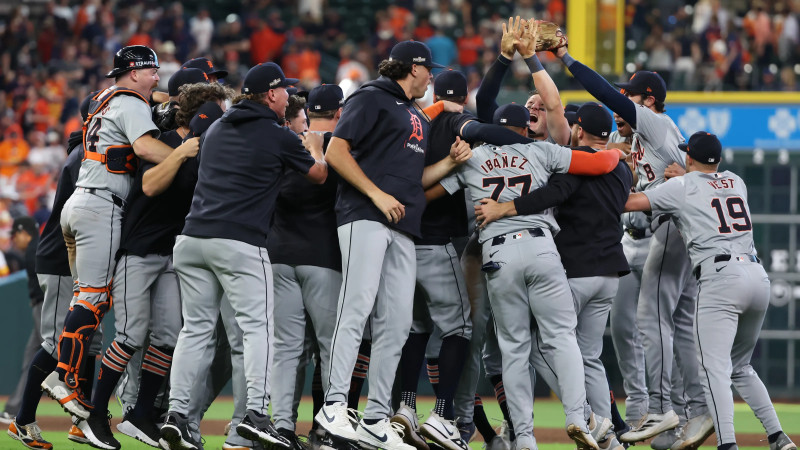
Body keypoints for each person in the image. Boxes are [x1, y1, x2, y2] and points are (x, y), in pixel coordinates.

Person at [429, 101, 623, 450]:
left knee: (514, 350)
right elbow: (599, 161)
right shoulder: (541, 150)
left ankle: (525, 438)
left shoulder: (471, 157)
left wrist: (448, 162)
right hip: (542, 249)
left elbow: (426, 194)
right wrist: (618, 155)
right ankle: (579, 418)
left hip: (497, 255)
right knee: (562, 338)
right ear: (523, 127)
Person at [158, 61, 327, 450]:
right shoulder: (278, 134)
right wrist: (315, 148)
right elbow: (318, 176)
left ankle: (177, 414)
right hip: (238, 242)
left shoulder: (217, 127)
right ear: (270, 94)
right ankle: (256, 414)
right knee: (257, 330)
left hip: (192, 238)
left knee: (195, 330)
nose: (288, 95)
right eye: (284, 89)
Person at [314, 40, 470, 450]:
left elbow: (413, 180)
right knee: (357, 307)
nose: (432, 77)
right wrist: (375, 194)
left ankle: (375, 420)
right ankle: (333, 406)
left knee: (398, 324)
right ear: (412, 68)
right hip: (364, 216)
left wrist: (451, 164)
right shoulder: (372, 97)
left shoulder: (413, 111)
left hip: (403, 226)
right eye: (428, 70)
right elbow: (335, 151)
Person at [554, 44, 711, 445]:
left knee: (651, 321)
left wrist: (567, 60)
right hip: (641, 236)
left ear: (649, 101)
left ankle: (665, 408)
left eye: (631, 96)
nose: (622, 101)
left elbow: (604, 95)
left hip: (670, 229)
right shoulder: (639, 141)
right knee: (651, 327)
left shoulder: (656, 123)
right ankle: (663, 411)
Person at [41, 45, 199, 428]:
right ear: (133, 74)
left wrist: (170, 97)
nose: (157, 77)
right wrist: (183, 156)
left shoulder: (106, 96)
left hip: (82, 203)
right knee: (94, 297)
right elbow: (145, 147)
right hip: (101, 205)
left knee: (87, 296)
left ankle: (68, 377)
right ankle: (63, 376)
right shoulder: (129, 102)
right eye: (151, 71)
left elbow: (149, 96)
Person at [624, 132, 798, 450]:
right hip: (757, 277)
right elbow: (708, 184)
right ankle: (778, 437)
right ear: (717, 160)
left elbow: (629, 203)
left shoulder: (680, 186)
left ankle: (727, 445)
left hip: (720, 278)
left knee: (712, 368)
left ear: (688, 157)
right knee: (740, 366)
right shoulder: (737, 181)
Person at [83, 85, 229, 450]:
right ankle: (96, 416)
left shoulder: (206, 150)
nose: (222, 120)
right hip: (138, 249)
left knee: (168, 335)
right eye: (218, 112)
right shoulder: (163, 140)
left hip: (171, 252)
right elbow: (149, 185)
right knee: (131, 334)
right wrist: (180, 154)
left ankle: (141, 413)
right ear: (200, 115)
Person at [5, 93, 105, 450]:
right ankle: (22, 420)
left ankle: (86, 421)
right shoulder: (84, 155)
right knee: (53, 342)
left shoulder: (86, 151)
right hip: (61, 259)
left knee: (89, 340)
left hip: (77, 258)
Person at [392, 69, 473, 450]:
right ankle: (442, 413)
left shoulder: (415, 123)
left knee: (414, 329)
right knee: (459, 329)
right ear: (466, 96)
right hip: (439, 244)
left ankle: (406, 406)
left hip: (404, 242)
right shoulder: (464, 125)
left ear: (436, 92)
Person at [269, 83, 344, 449]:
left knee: (286, 349)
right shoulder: (337, 146)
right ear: (340, 112)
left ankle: (281, 427)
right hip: (322, 257)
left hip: (279, 256)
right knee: (331, 347)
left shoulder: (282, 145)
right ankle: (330, 428)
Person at [3, 217, 44, 423]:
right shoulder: (40, 246)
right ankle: (14, 407)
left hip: (44, 307)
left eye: (15, 235)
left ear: (23, 232)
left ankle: (83, 400)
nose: (15, 240)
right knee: (31, 356)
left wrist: (38, 300)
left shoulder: (33, 249)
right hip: (42, 305)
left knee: (55, 353)